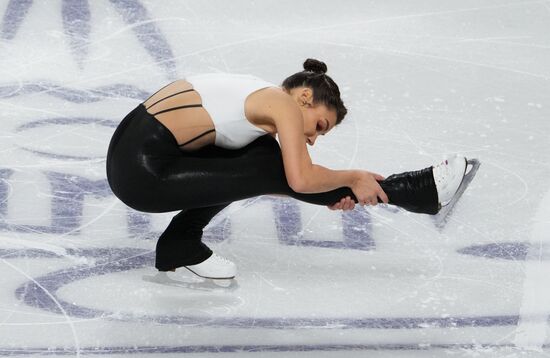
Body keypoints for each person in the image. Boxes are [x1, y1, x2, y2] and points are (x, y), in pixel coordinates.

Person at [106, 59, 467, 281]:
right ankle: (418, 191)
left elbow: (271, 181)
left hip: (132, 161)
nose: (312, 138)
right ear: (306, 98)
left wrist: (323, 190)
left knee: (261, 158)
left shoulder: (257, 94)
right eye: (320, 126)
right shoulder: (283, 105)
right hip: (143, 174)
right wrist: (349, 178)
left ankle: (178, 247)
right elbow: (296, 178)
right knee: (265, 161)